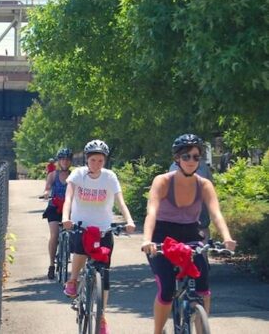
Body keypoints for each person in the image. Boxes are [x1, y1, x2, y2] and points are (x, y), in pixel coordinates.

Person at [141, 134, 237, 334]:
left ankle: (202, 329)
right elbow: (152, 211)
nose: (192, 161)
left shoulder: (204, 184)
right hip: (162, 237)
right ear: (177, 158)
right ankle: (158, 331)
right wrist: (147, 240)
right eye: (186, 157)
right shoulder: (163, 181)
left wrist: (226, 237)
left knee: (203, 289)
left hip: (191, 234)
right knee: (167, 290)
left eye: (196, 157)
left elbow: (216, 213)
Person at [61, 140, 136, 334]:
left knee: (105, 275)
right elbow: (69, 197)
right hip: (81, 226)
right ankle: (73, 279)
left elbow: (120, 201)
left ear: (105, 161)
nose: (96, 164)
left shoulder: (110, 177)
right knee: (80, 249)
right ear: (87, 159)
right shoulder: (78, 174)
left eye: (100, 160)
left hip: (103, 229)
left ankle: (102, 317)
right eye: (93, 160)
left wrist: (129, 221)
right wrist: (65, 218)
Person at [169, 157, 213, 255]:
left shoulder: (173, 166)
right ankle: (202, 254)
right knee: (202, 226)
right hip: (191, 203)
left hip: (189, 203)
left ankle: (201, 254)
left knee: (201, 226)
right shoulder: (202, 165)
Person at [42, 148, 73, 279]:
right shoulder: (53, 174)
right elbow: (48, 187)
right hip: (54, 207)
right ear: (59, 161)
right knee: (54, 234)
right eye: (62, 159)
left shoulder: (74, 175)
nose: (65, 161)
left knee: (75, 234)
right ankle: (51, 265)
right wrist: (46, 193)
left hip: (70, 208)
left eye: (67, 159)